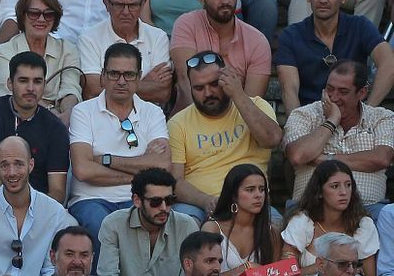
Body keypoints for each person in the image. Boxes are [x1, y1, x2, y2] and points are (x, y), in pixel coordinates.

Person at [69, 44, 174, 242]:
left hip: (137, 200)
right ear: (102, 76)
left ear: (139, 76)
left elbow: (163, 166)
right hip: (90, 200)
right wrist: (141, 171)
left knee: (156, 221)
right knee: (100, 223)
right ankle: (105, 275)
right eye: (114, 74)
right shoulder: (83, 111)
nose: (121, 81)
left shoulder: (152, 112)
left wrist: (105, 160)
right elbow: (83, 170)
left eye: (129, 74)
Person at [166, 51, 281, 223]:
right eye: (199, 88)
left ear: (228, 79)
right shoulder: (178, 123)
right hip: (198, 206)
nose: (207, 93)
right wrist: (206, 201)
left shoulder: (256, 105)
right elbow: (175, 181)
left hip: (252, 201)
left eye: (214, 84)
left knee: (275, 225)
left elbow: (272, 139)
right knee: (182, 222)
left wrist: (238, 95)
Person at [287, 61, 394, 206]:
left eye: (343, 92)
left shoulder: (381, 117)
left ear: (362, 93)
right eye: (330, 89)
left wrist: (326, 160)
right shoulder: (304, 115)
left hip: (368, 209)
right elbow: (298, 156)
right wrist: (332, 120)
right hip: (311, 208)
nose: (334, 97)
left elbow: (382, 158)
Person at [0, 52, 71, 199]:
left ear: (44, 85)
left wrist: (34, 216)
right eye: (23, 80)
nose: (30, 88)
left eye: (37, 81)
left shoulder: (55, 127)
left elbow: (57, 191)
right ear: (10, 84)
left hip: (39, 207)